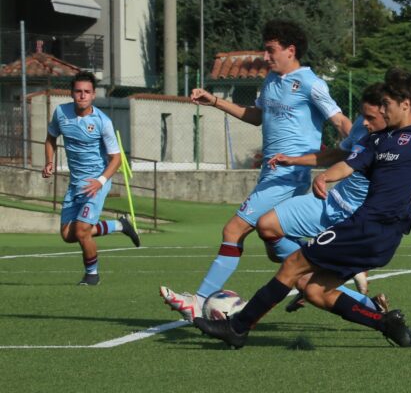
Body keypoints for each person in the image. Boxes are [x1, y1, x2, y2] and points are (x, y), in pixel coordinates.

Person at [193, 67, 411, 349]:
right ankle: (385, 323)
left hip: (374, 226)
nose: (381, 109)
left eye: (387, 103)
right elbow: (348, 164)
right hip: (371, 230)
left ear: (405, 104)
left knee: (294, 265)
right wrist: (327, 177)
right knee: (314, 290)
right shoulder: (376, 139)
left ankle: (238, 328)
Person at [159, 19, 352, 320]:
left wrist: (364, 148)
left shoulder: (312, 83)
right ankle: (354, 296)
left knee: (234, 229)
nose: (265, 57)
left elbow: (340, 121)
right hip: (270, 173)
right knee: (277, 248)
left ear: (290, 50)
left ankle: (197, 301)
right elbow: (256, 116)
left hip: (289, 175)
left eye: (270, 50)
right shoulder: (271, 80)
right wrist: (215, 102)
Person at [258, 83, 411, 313]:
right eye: (364, 115)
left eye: (374, 114)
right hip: (330, 200)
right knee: (267, 226)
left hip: (358, 219)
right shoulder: (364, 125)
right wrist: (295, 160)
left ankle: (370, 307)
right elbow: (339, 155)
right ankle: (308, 273)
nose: (365, 121)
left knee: (306, 282)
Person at [42, 71, 140, 286]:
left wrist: (100, 182)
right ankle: (119, 225)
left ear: (94, 95)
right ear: (72, 93)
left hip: (97, 182)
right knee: (68, 235)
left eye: (87, 92)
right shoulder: (61, 113)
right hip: (75, 183)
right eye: (78, 91)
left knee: (82, 230)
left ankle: (92, 275)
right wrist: (49, 161)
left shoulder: (102, 122)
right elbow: (50, 139)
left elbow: (116, 159)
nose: (82, 95)